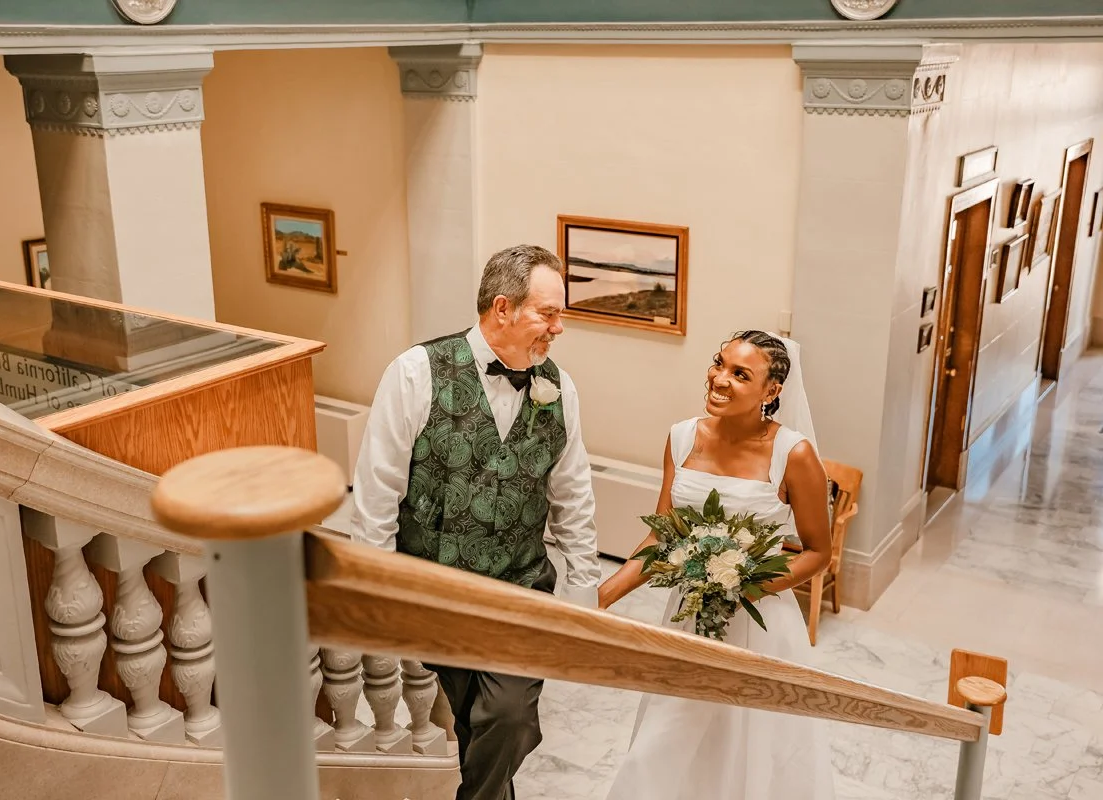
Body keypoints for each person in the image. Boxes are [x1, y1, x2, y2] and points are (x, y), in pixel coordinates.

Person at [351, 244, 601, 800]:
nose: (559, 329)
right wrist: (378, 593)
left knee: (508, 716)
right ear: (504, 308)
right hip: (437, 591)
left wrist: (584, 597)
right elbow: (377, 493)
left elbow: (573, 495)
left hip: (521, 588)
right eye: (549, 313)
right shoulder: (415, 373)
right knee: (477, 723)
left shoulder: (559, 388)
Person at [598, 329, 835, 800]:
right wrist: (601, 597)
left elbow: (817, 552)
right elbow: (663, 533)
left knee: (748, 749)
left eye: (740, 373)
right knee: (664, 740)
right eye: (718, 363)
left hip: (760, 624)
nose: (719, 379)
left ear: (771, 392)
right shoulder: (682, 436)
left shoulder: (795, 454)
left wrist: (746, 586)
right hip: (688, 617)